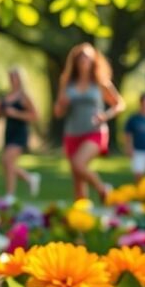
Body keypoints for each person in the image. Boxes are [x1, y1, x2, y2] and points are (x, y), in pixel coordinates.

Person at [54, 43, 126, 202]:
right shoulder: (67, 83)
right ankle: (81, 216)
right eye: (80, 58)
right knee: (77, 180)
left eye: (87, 58)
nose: (84, 61)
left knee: (78, 164)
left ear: (94, 60)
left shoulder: (100, 83)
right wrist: (62, 104)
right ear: (75, 62)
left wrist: (105, 116)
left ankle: (103, 189)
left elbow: (120, 104)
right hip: (72, 133)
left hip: (95, 132)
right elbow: (58, 112)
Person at [0, 68, 41, 204]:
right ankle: (29, 178)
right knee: (5, 163)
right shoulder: (5, 97)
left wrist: (16, 113)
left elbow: (35, 116)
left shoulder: (24, 97)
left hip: (21, 133)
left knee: (8, 161)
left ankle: (10, 195)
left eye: (15, 77)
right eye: (11, 77)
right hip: (9, 132)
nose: (12, 80)